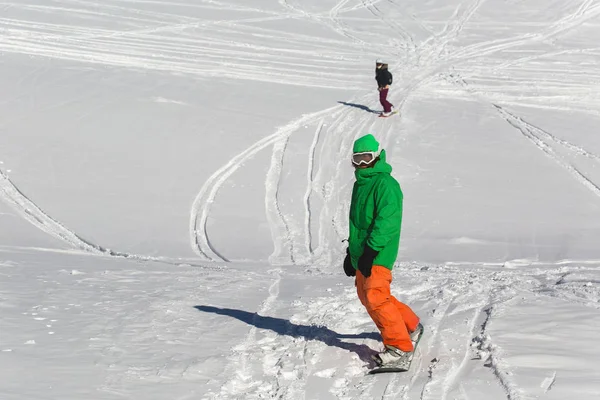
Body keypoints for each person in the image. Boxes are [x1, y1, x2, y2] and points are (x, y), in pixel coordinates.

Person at [343, 133, 422, 368]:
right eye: (357, 159)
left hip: (378, 252)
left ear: (377, 157)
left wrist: (371, 250)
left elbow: (387, 221)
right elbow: (358, 224)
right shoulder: (361, 184)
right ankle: (410, 326)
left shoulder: (386, 184)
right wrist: (352, 253)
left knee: (375, 297)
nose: (362, 164)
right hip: (363, 252)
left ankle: (400, 347)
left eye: (366, 157)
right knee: (370, 297)